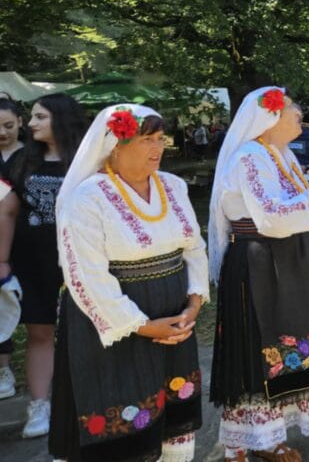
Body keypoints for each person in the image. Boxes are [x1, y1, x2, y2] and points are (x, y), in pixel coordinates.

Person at [49, 104, 209, 462]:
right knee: (124, 411)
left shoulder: (174, 186)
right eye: (147, 139)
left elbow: (195, 247)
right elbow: (86, 275)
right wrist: (143, 326)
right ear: (114, 146)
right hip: (116, 326)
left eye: (160, 138)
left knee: (172, 410)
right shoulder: (88, 198)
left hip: (174, 319)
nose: (158, 147)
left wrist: (194, 302)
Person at [208, 87, 309, 462]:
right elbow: (271, 217)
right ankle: (241, 441)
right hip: (258, 263)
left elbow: (298, 212)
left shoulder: (279, 155)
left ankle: (270, 436)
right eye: (292, 106)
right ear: (271, 117)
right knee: (256, 348)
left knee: (285, 344)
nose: (299, 111)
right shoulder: (249, 156)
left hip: (285, 263)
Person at [5, 93, 87, 438]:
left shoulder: (88, 159)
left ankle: (88, 400)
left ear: (61, 119)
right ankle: (40, 406)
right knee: (39, 332)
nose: (32, 123)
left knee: (86, 331)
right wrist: (1, 260)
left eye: (40, 117)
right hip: (32, 262)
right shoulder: (20, 161)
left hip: (80, 261)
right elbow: (5, 211)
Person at [0, 96, 24, 399]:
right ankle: (4, 369)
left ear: (20, 122)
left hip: (31, 242)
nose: (3, 132)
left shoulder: (34, 156)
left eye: (8, 125)